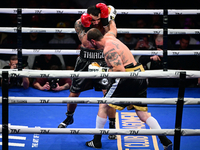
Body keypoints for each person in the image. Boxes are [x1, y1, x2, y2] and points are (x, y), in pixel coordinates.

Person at [85, 20, 172, 150]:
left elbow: (120, 71)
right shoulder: (109, 36)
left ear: (93, 41)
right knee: (142, 114)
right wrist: (109, 17)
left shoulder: (108, 50)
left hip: (128, 78)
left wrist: (102, 70)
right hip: (140, 74)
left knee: (103, 106)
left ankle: (96, 141)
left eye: (88, 43)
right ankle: (165, 140)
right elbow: (113, 27)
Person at [58, 3, 118, 140]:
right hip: (84, 61)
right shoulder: (80, 23)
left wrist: (105, 21)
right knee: (74, 93)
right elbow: (85, 41)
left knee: (107, 94)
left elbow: (111, 36)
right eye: (93, 19)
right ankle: (69, 118)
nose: (96, 22)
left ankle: (112, 126)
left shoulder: (104, 22)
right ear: (87, 16)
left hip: (102, 60)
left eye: (98, 19)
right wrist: (87, 25)